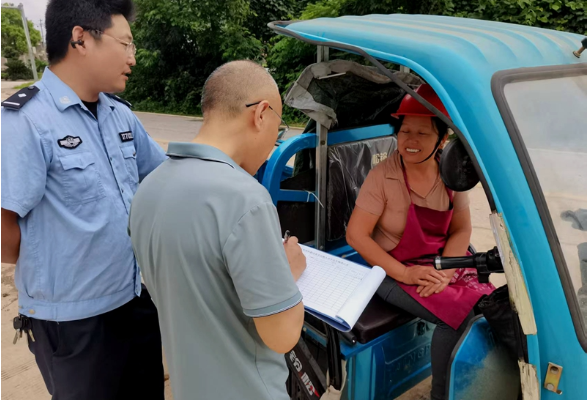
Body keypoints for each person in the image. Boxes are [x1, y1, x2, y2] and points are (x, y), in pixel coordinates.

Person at [0, 1, 167, 399]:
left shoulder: (119, 115)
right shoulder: (25, 121)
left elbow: (163, 178)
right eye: (125, 44)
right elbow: (3, 229)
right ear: (80, 39)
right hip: (73, 324)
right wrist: (54, 262)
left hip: (132, 301)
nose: (132, 58)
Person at [129, 60, 307, 400]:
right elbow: (282, 336)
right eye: (279, 128)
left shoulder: (149, 188)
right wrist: (289, 272)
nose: (275, 142)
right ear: (261, 114)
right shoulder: (246, 199)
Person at [347, 84, 495, 400]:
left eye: (422, 133)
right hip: (390, 270)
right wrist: (405, 273)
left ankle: (471, 384)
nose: (410, 140)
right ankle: (442, 394)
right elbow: (356, 235)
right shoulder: (383, 176)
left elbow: (461, 230)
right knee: (455, 317)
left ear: (442, 139)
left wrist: (446, 273)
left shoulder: (452, 173)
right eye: (405, 131)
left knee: (490, 303)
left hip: (440, 262)